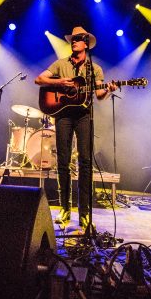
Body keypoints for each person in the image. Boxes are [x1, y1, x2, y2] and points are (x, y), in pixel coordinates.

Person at [35, 26, 117, 229]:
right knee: (63, 162)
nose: (74, 42)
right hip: (62, 115)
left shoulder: (94, 68)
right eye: (72, 39)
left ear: (86, 43)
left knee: (86, 163)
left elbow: (98, 96)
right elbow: (39, 79)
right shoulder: (60, 64)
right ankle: (64, 210)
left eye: (78, 39)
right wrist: (61, 82)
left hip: (84, 116)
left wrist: (108, 90)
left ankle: (84, 214)